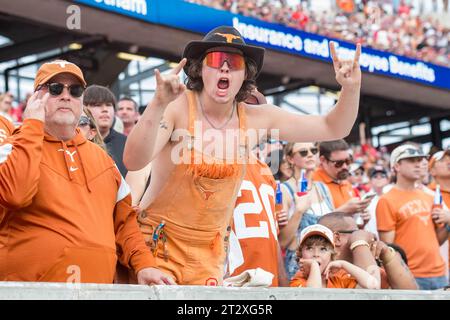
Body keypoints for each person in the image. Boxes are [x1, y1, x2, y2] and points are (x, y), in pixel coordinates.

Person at [124, 25, 362, 285]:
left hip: (209, 255)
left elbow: (333, 127)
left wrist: (350, 88)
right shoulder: (176, 107)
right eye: (215, 60)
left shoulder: (259, 119)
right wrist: (157, 104)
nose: (224, 68)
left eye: (234, 62)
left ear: (245, 73)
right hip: (157, 246)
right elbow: (134, 160)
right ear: (200, 69)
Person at [0, 60, 173, 285]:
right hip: (28, 292)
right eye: (55, 89)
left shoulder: (103, 160)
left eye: (75, 90)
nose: (66, 95)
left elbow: (124, 223)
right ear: (35, 98)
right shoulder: (12, 148)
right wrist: (32, 124)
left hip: (96, 291)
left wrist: (144, 264)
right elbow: (16, 193)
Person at [225, 89, 288, 287]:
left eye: (254, 109)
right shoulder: (210, 159)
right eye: (241, 108)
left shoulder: (265, 170)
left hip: (269, 279)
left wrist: (282, 278)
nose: (248, 115)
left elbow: (272, 235)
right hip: (232, 280)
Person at [376, 144, 448, 290]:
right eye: (411, 160)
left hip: (439, 272)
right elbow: (388, 249)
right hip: (410, 274)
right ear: (396, 166)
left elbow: (437, 240)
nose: (418, 164)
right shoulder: (386, 200)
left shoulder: (429, 196)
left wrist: (448, 223)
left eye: (420, 160)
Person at [278, 142, 335, 279]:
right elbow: (282, 242)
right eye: (303, 152)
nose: (310, 154)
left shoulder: (323, 189)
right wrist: (298, 211)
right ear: (291, 159)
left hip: (327, 267)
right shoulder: (284, 190)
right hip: (299, 267)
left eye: (314, 150)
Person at [319, 212, 418, 290]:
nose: (364, 233)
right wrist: (358, 241)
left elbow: (412, 294)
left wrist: (387, 254)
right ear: (337, 239)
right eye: (356, 231)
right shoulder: (322, 270)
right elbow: (370, 292)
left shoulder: (362, 265)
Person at [289, 224, 379, 289]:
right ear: (300, 254)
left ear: (331, 255)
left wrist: (343, 264)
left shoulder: (337, 278)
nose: (316, 254)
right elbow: (314, 295)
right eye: (309, 248)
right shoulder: (298, 280)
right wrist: (314, 266)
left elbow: (373, 285)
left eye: (323, 249)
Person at [313, 139, 372, 224]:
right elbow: (312, 224)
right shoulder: (313, 183)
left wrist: (362, 220)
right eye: (339, 163)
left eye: (348, 161)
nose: (345, 166)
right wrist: (344, 211)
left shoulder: (346, 183)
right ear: (323, 160)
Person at [84, 85, 128, 176]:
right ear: (84, 110)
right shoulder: (75, 142)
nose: (105, 110)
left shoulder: (127, 143)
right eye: (97, 105)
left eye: (108, 105)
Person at [364, 165, 390, 238]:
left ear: (387, 180)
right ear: (370, 180)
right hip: (372, 238)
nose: (379, 178)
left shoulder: (392, 197)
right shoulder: (365, 199)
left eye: (382, 176)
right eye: (375, 176)